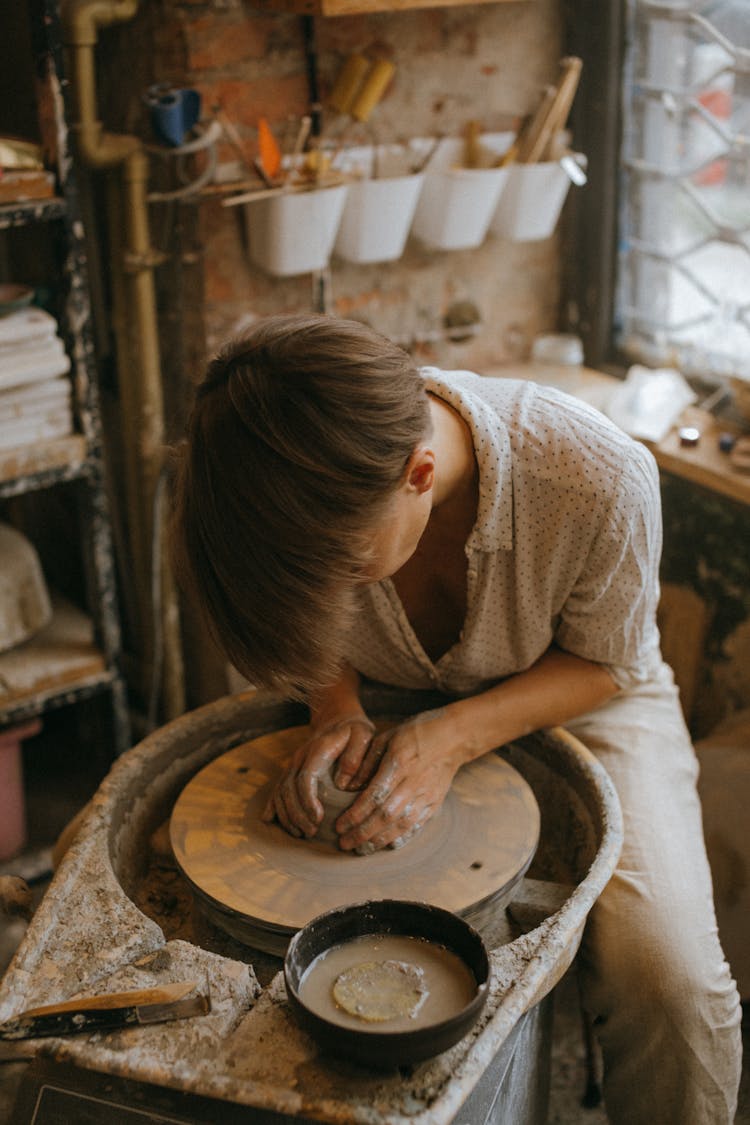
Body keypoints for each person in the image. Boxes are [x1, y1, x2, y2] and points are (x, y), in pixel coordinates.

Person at [171, 313, 741, 1124]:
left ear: (420, 473)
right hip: (386, 684)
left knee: (670, 977)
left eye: (345, 569)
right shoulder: (292, 474)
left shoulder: (598, 478)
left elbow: (609, 662)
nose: (340, 587)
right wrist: (334, 706)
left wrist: (452, 736)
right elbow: (301, 619)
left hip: (580, 683)